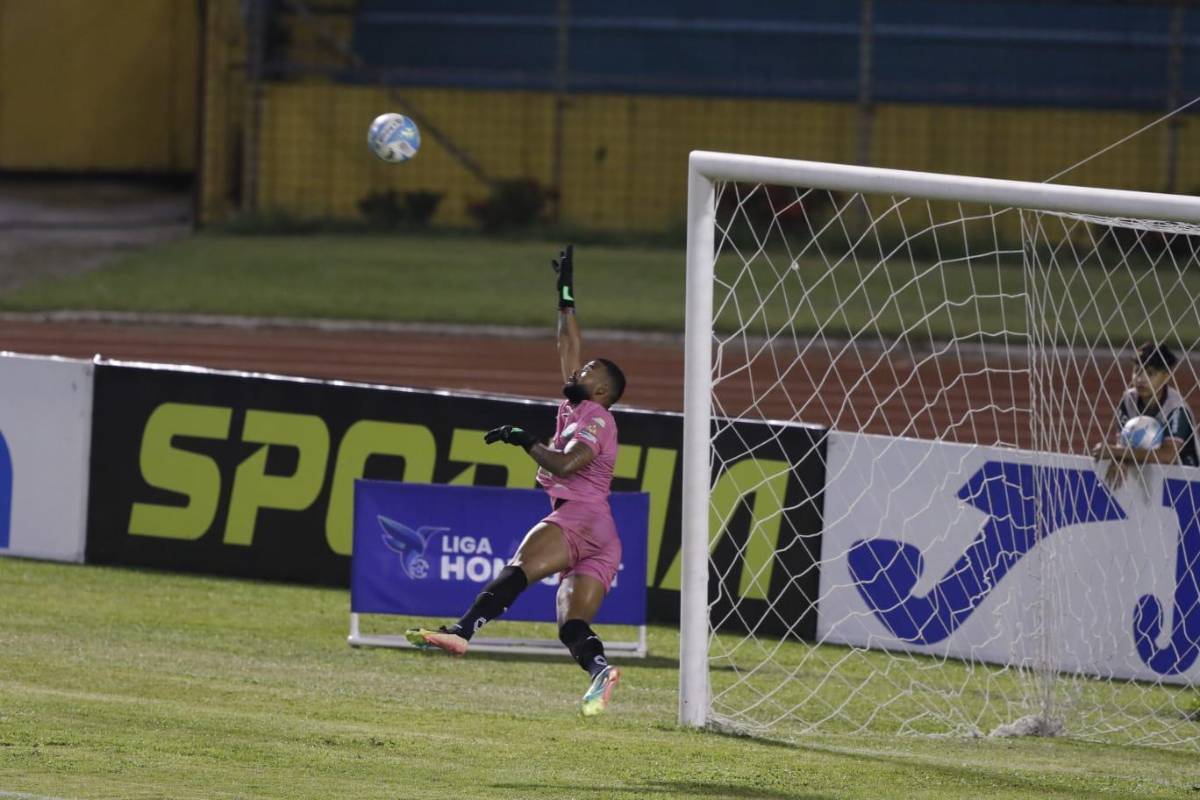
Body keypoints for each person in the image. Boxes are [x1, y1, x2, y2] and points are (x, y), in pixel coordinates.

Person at [405, 244, 629, 717]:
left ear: (603, 391)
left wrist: (524, 438)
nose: (579, 369)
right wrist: (565, 293)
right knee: (572, 626)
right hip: (603, 537)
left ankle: (462, 631)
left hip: (581, 518)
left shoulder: (597, 420)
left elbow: (568, 465)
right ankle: (600, 673)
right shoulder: (575, 406)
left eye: (589, 372)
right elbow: (566, 342)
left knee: (520, 567)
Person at [1093, 342, 1198, 487]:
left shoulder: (1176, 408)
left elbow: (1167, 455)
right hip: (1150, 478)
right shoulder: (1128, 399)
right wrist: (1120, 460)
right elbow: (1124, 442)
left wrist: (1117, 453)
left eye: (1150, 373)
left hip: (1186, 482)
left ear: (1166, 376)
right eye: (1137, 370)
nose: (1140, 379)